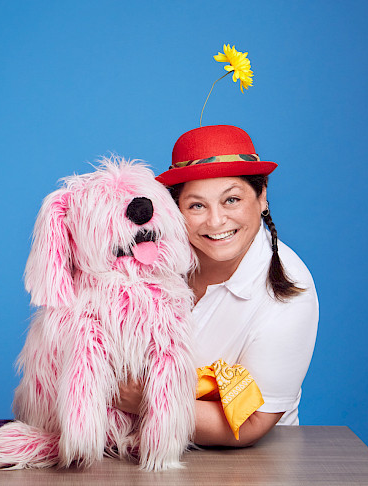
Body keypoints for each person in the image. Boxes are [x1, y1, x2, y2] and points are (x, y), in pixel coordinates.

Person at [116, 125, 318, 447]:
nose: (216, 221)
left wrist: (145, 399)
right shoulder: (153, 257)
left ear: (262, 195)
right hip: (141, 451)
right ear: (176, 208)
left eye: (232, 200)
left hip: (253, 464)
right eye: (197, 205)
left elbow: (251, 424)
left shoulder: (290, 292)